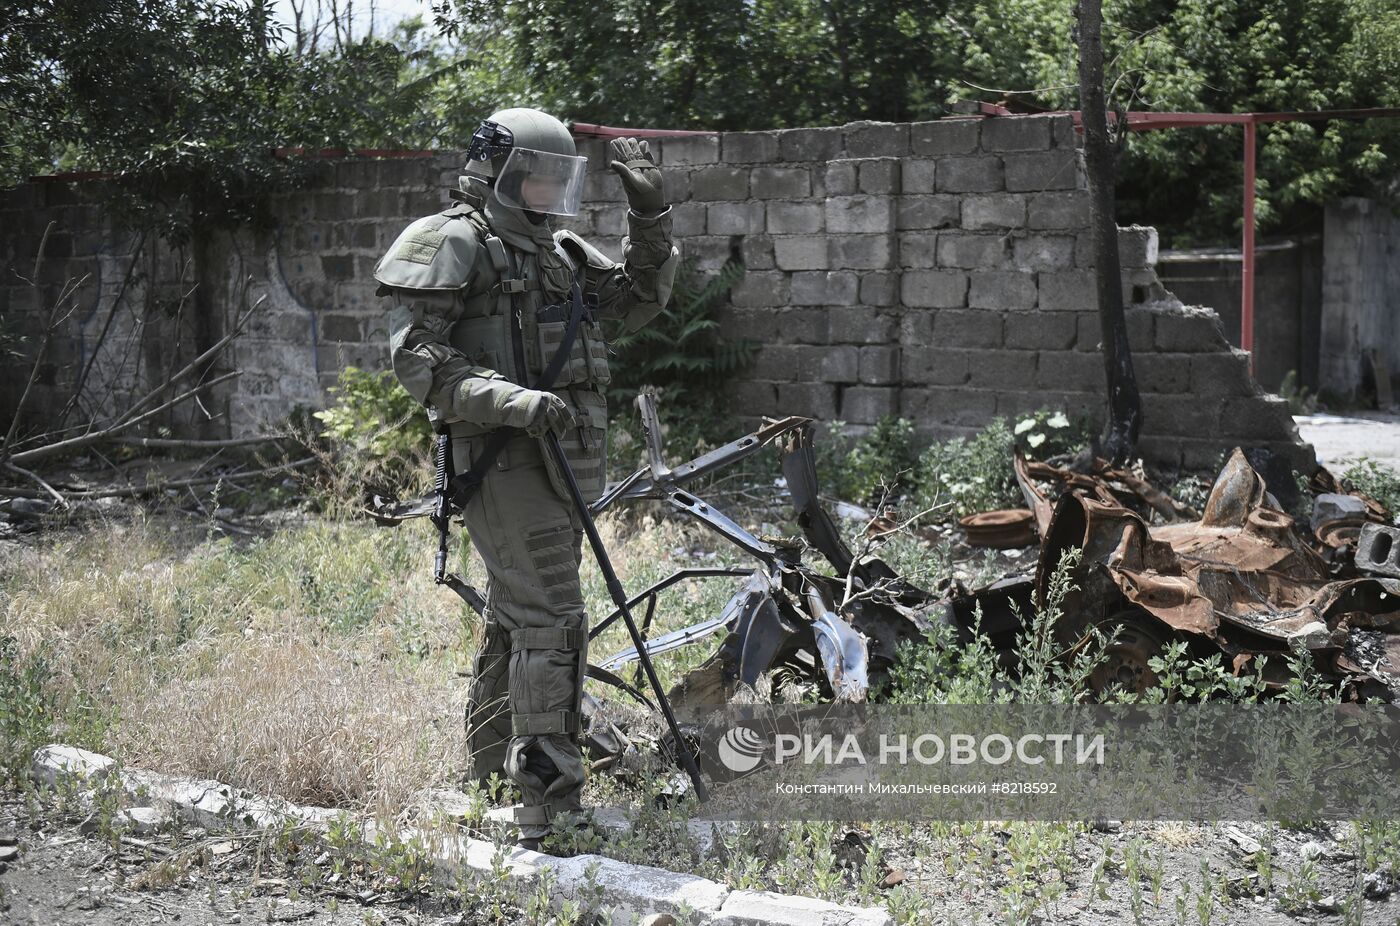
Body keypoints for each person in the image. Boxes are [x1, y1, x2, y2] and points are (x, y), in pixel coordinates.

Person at [372, 107, 678, 850]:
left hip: (559, 467)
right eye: (536, 175)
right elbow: (417, 362)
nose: (547, 189)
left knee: (521, 619)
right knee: (553, 622)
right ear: (497, 170)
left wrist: (651, 212)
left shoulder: (558, 251)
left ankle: (485, 780)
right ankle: (549, 809)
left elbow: (640, 301)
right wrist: (513, 401)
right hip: (501, 462)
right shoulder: (451, 241)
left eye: (557, 177)